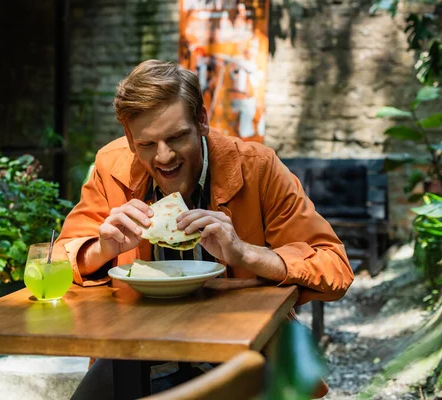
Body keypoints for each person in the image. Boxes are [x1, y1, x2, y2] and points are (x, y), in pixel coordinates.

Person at [57, 59, 354, 399]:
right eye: (147, 145)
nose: (164, 157)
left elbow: (335, 268)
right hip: (137, 352)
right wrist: (101, 249)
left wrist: (246, 253)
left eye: (177, 137)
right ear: (129, 138)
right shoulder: (112, 168)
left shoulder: (258, 167)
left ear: (201, 121)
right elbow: (57, 261)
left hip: (247, 352)